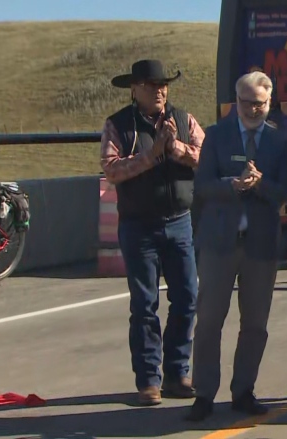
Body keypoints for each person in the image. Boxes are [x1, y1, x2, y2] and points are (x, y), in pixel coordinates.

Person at [186, 71, 287, 421]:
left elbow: (285, 193)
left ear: (269, 103)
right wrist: (232, 184)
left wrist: (260, 184)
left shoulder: (279, 143)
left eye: (259, 104)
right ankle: (203, 393)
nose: (252, 110)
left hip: (260, 246)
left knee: (255, 324)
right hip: (219, 242)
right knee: (209, 322)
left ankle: (243, 390)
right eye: (246, 103)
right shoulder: (216, 136)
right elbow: (201, 187)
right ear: (236, 102)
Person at [100, 59, 204, 406]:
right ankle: (148, 380)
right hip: (138, 225)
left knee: (187, 297)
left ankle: (178, 373)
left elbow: (206, 157)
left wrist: (175, 150)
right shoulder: (118, 125)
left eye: (163, 85)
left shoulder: (184, 120)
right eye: (151, 85)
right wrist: (152, 154)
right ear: (135, 90)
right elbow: (111, 170)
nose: (159, 91)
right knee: (145, 304)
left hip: (179, 221)